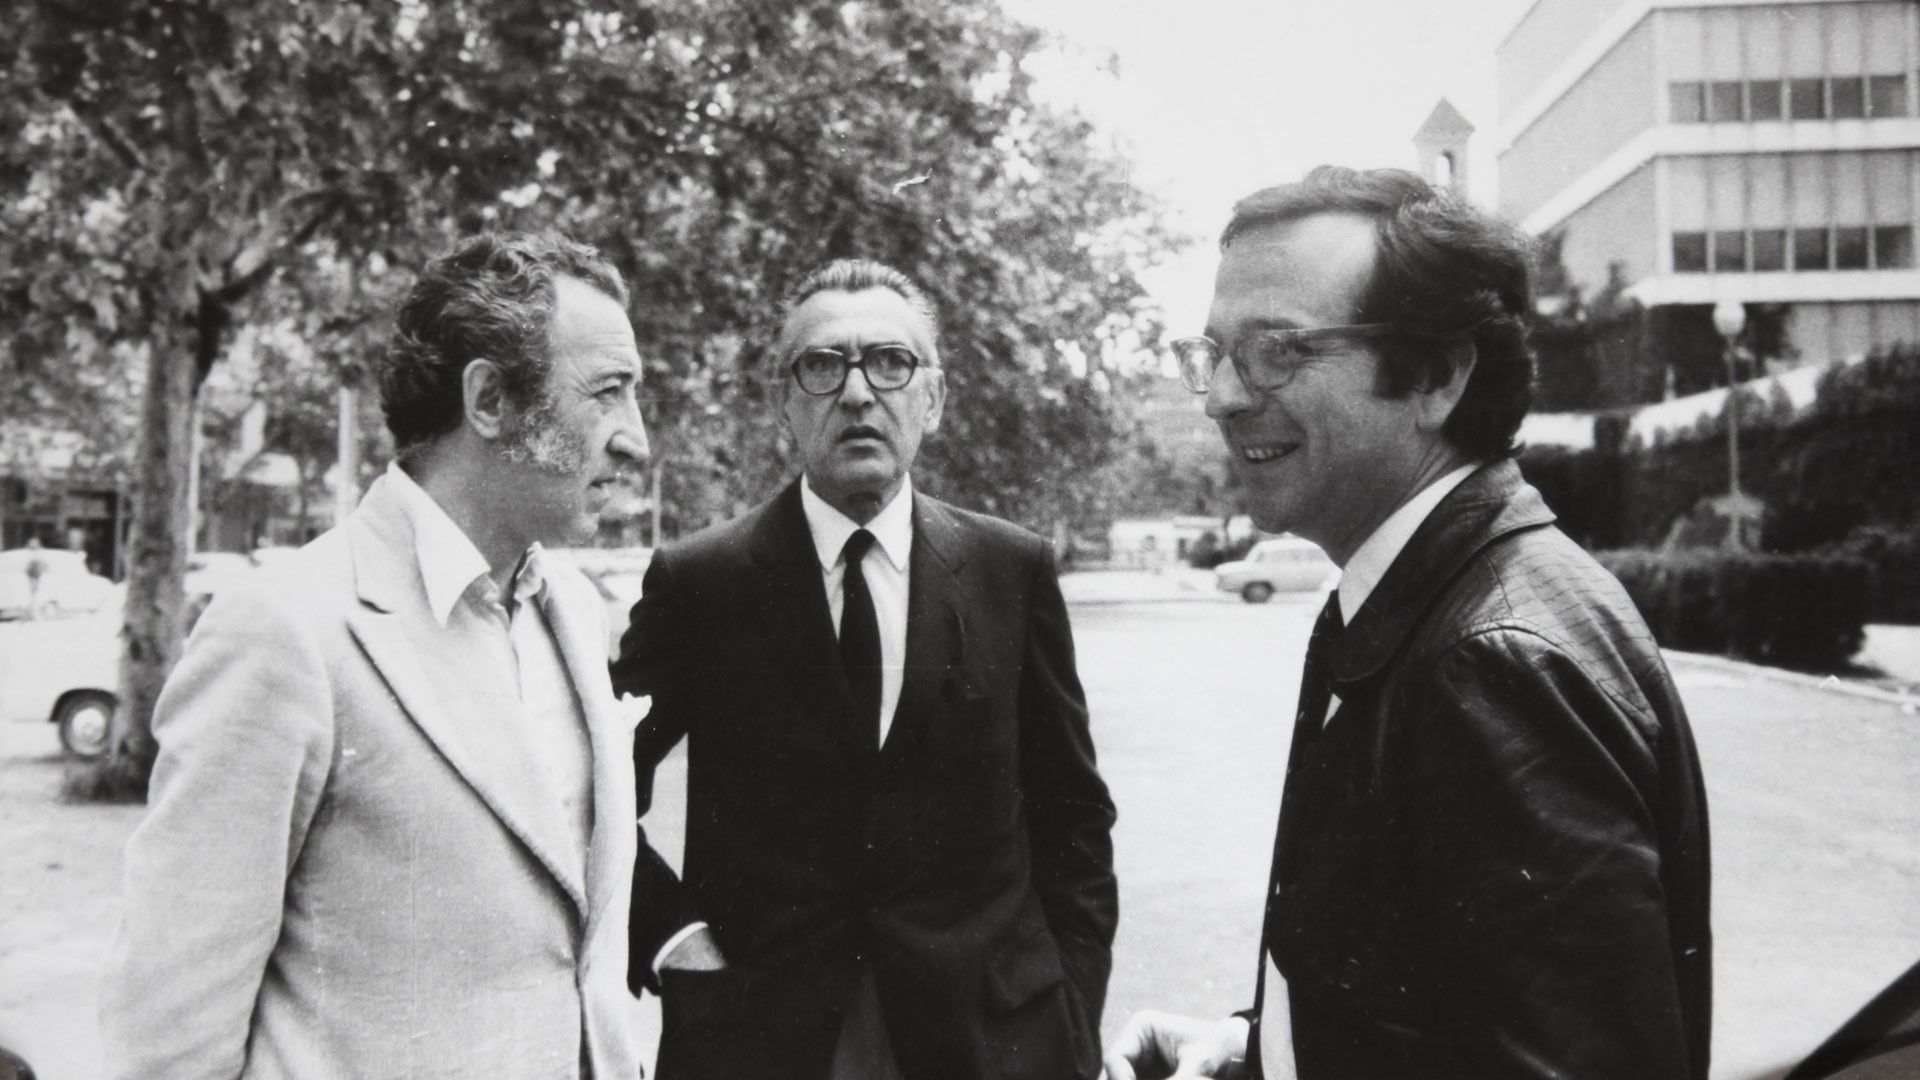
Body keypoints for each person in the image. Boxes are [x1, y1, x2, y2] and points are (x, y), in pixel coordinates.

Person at [1105, 167, 1712, 1080]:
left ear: (1436, 377)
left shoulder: (1494, 661)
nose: (1222, 395)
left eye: (1275, 350)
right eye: (1214, 353)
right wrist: (1257, 1047)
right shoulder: (1429, 595)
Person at [102, 232, 654, 1079]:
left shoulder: (575, 610)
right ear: (490, 399)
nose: (636, 440)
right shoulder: (285, 630)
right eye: (608, 392)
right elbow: (169, 1033)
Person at [613, 258, 1117, 1080]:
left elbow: (1073, 816)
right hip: (761, 1038)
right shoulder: (700, 581)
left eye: (890, 363)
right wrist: (669, 937)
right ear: (782, 401)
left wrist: (1072, 1023)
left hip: (990, 1043)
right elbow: (590, 787)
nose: (856, 393)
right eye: (822, 366)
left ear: (934, 399)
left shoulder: (1010, 569)